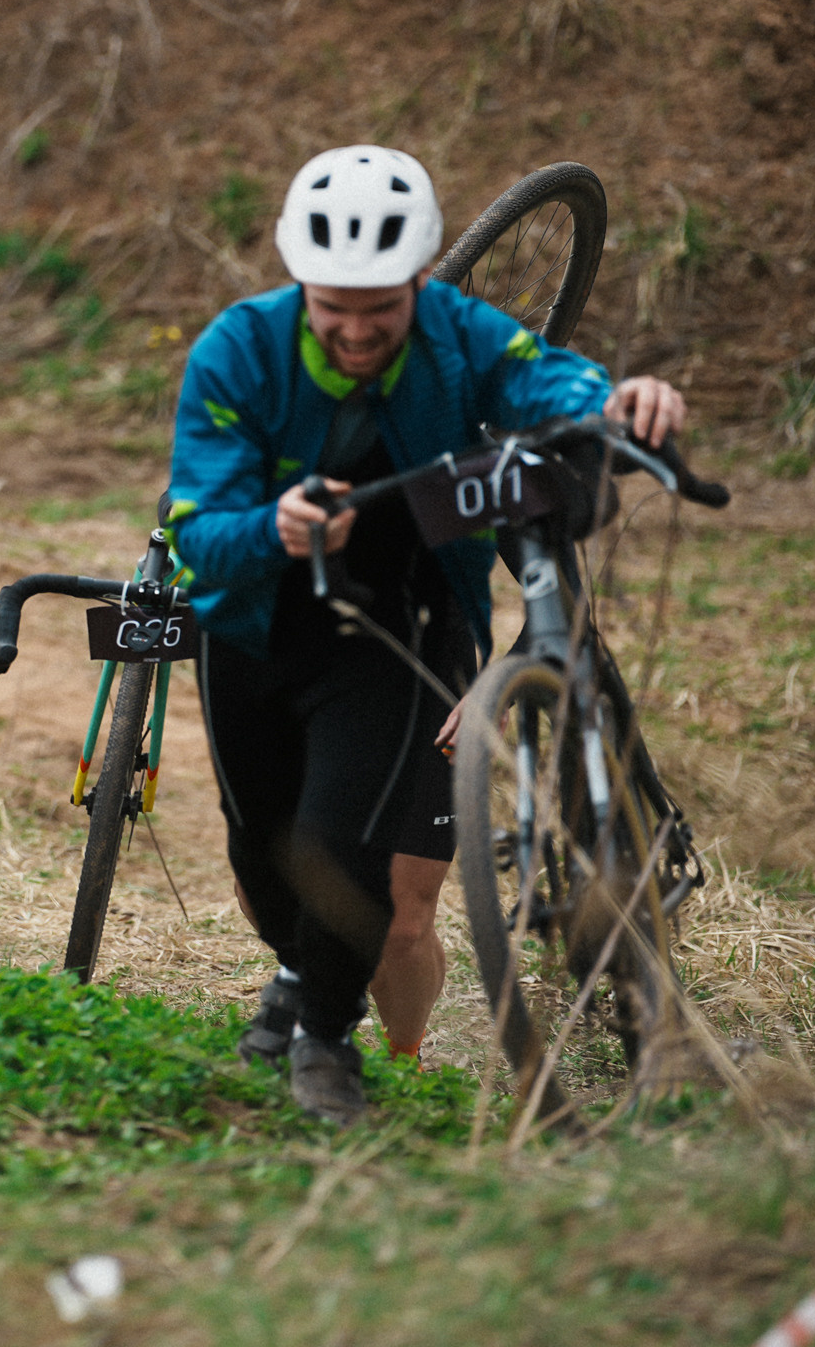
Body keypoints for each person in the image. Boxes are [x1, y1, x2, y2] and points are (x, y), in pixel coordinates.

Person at [165, 146, 687, 1125]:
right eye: (336, 309)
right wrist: (275, 527)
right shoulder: (238, 350)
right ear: (301, 287)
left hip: (395, 622)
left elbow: (548, 381)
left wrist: (616, 404)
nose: (359, 330)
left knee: (345, 846)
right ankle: (297, 973)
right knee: (262, 854)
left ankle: (327, 1039)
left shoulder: (457, 334)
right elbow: (197, 530)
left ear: (418, 284)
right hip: (256, 622)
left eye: (383, 308)